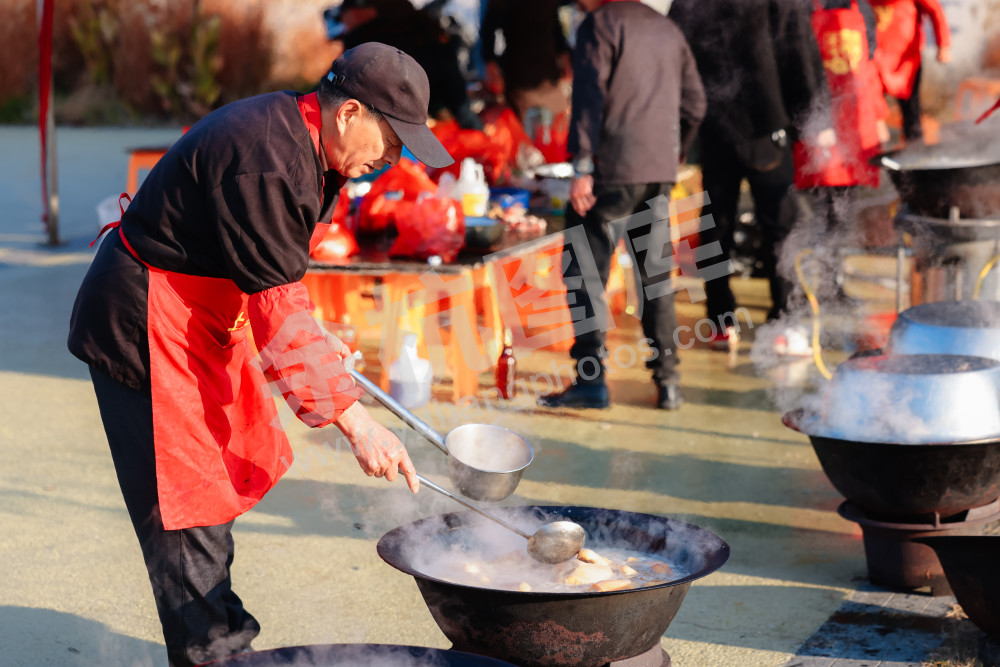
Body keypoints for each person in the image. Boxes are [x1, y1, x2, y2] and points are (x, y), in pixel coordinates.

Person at [67, 43, 453, 666]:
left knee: (213, 488)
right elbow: (274, 300)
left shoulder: (305, 139)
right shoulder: (269, 158)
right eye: (390, 138)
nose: (392, 157)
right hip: (147, 322)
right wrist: (357, 423)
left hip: (203, 316)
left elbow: (270, 278)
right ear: (349, 112)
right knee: (186, 503)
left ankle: (223, 641)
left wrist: (315, 335)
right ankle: (214, 654)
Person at [537, 0, 706, 410]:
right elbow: (695, 104)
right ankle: (668, 382)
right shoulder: (667, 30)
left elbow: (589, 96)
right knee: (654, 276)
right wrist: (675, 152)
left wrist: (580, 166)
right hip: (657, 170)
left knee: (584, 272)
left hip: (610, 170)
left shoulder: (601, 24)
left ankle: (590, 380)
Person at [669, 0, 836, 355]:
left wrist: (680, 122)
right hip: (765, 122)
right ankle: (784, 322)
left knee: (717, 222)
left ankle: (719, 320)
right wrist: (812, 116)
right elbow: (798, 48)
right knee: (780, 225)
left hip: (715, 122)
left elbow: (674, 48)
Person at [792, 0, 890, 305]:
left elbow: (869, 68)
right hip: (822, 121)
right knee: (824, 212)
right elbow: (799, 67)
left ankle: (833, 283)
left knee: (844, 213)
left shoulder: (861, 8)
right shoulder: (806, 8)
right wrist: (815, 121)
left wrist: (878, 115)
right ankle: (812, 285)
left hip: (855, 120)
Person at [324, 0, 484, 130]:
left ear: (359, 11)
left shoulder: (366, 36)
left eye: (343, 17)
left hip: (413, 114)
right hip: (416, 112)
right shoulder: (414, 22)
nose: (344, 23)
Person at [868, 0, 951, 142]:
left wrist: (943, 45)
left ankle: (915, 155)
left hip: (907, 61)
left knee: (911, 113)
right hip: (875, 60)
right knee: (871, 112)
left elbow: (935, 9)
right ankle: (874, 154)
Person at [480, 0, 573, 122]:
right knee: (527, 132)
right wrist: (492, 68)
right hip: (521, 79)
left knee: (557, 130)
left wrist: (566, 61)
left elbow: (555, 27)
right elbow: (488, 30)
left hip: (550, 77)